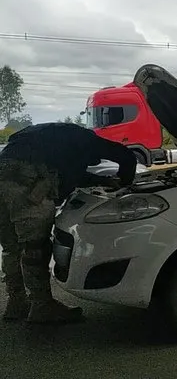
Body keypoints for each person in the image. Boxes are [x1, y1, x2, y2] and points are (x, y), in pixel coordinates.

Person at [0, 122, 137, 323]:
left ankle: (16, 302)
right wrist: (124, 185)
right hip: (27, 180)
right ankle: (42, 306)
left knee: (11, 246)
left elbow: (70, 172)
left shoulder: (59, 137)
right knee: (35, 246)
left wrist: (102, 180)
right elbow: (126, 157)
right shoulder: (88, 142)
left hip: (3, 170)